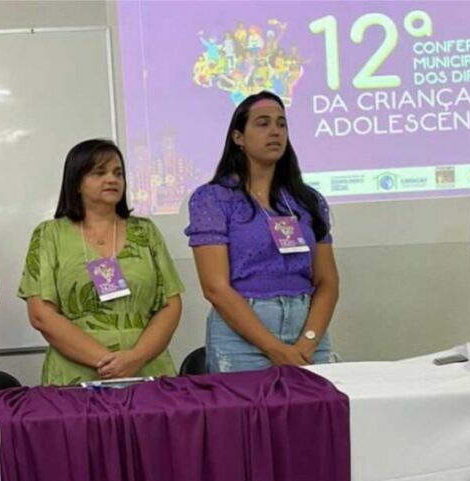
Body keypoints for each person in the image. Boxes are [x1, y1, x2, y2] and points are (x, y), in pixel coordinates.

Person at [185, 90, 338, 373]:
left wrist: (308, 341)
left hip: (307, 330)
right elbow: (215, 287)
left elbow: (327, 281)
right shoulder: (213, 199)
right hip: (242, 337)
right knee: (250, 416)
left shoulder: (306, 201)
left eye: (281, 124)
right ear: (238, 137)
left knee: (319, 414)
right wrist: (274, 348)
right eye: (263, 123)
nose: (275, 131)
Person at [18, 139, 183, 385]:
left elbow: (171, 305)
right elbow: (41, 314)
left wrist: (134, 358)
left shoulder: (146, 232)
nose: (112, 179)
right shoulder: (49, 234)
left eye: (118, 173)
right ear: (76, 183)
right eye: (99, 172)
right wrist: (110, 362)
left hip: (146, 368)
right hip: (76, 374)